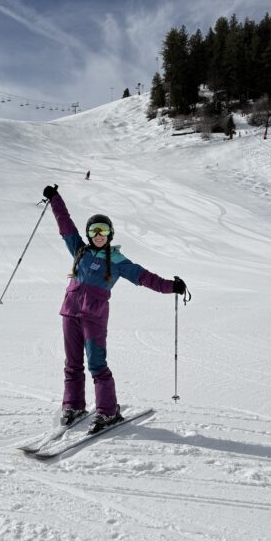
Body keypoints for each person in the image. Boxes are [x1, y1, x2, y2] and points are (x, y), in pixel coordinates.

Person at [42, 184, 187, 434]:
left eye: (104, 230)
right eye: (94, 230)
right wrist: (55, 198)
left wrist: (171, 286)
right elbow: (66, 225)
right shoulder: (79, 250)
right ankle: (74, 405)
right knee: (72, 363)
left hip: (94, 318)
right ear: (89, 234)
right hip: (70, 313)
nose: (99, 234)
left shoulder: (118, 261)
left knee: (96, 364)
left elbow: (145, 277)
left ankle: (108, 411)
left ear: (111, 234)